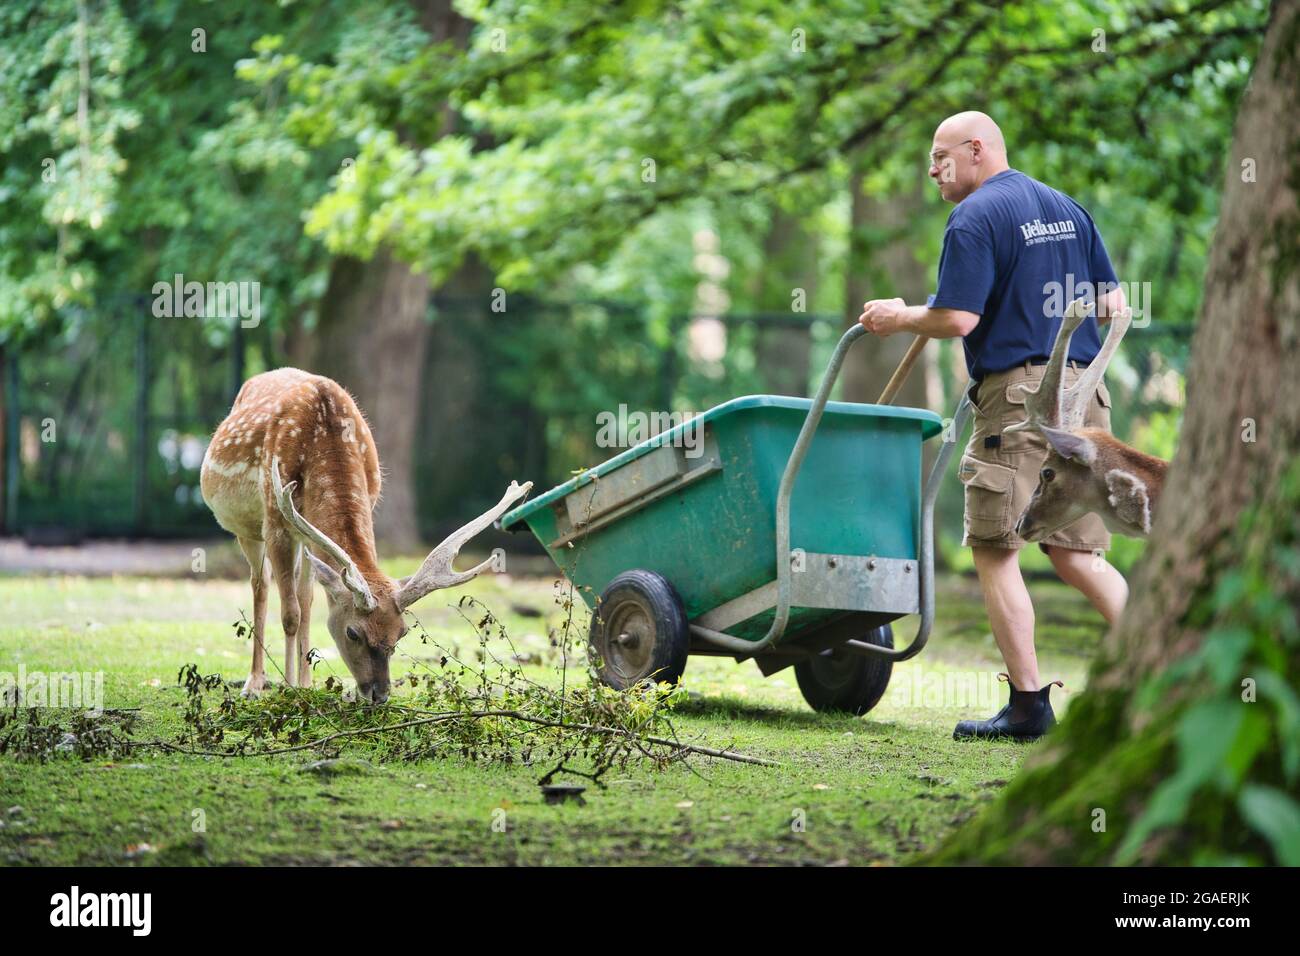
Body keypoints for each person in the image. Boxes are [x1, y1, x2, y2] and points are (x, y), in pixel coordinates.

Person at [858, 111, 1129, 741]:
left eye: (940, 155)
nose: (932, 169)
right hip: (1087, 395)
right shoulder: (1068, 208)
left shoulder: (976, 216)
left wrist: (899, 316)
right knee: (1076, 553)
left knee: (995, 545)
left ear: (976, 150)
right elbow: (1115, 302)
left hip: (1021, 401)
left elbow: (957, 319)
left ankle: (1029, 707)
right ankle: (1169, 673)